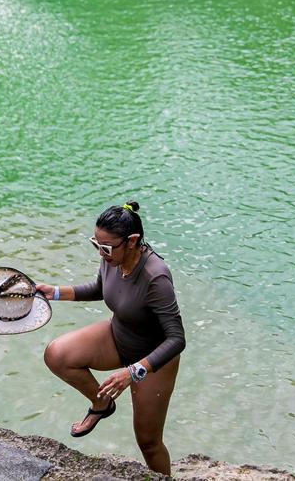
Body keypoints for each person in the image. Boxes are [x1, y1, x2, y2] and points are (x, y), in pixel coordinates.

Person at [36, 201, 186, 475]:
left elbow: (177, 339)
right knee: (57, 354)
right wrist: (53, 292)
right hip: (118, 336)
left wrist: (132, 373)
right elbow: (100, 288)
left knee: (148, 442)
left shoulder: (156, 277)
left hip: (153, 359)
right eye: (96, 245)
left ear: (132, 241)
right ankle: (102, 403)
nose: (101, 253)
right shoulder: (113, 258)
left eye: (106, 247)